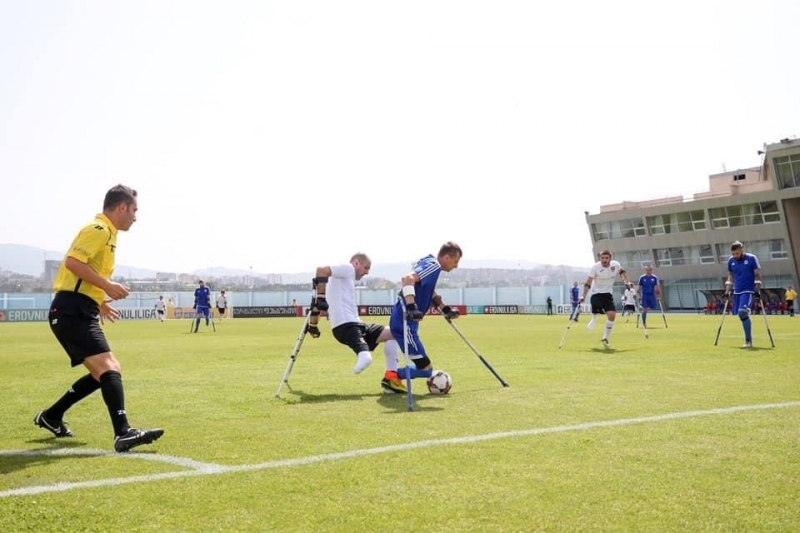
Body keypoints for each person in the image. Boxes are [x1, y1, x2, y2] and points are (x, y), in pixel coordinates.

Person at [34, 184, 163, 452]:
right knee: (110, 368)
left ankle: (52, 416)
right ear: (122, 207)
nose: (136, 217)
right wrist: (106, 286)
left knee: (100, 374)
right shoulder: (99, 230)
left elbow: (81, 273)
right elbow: (73, 263)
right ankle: (123, 432)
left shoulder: (109, 234)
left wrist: (100, 301)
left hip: (80, 308)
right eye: (134, 210)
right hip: (72, 310)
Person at [307, 253, 406, 393]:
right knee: (365, 357)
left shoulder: (341, 280)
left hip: (357, 324)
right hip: (345, 325)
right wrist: (321, 298)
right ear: (357, 263)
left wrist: (313, 326)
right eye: (366, 268)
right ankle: (363, 356)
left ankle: (391, 378)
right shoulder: (347, 268)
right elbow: (321, 270)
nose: (367, 272)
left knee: (395, 333)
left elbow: (316, 304)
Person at [389, 242, 462, 383]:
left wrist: (445, 309)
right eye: (455, 261)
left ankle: (392, 378)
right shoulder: (433, 266)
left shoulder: (431, 265)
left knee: (425, 367)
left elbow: (428, 290)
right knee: (426, 370)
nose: (456, 266)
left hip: (407, 324)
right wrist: (411, 307)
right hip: (405, 324)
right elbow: (407, 279)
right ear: (446, 257)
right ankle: (391, 377)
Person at [579, 250, 631, 347]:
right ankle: (594, 318)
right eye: (602, 258)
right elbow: (588, 283)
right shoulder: (595, 267)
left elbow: (622, 272)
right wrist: (583, 296)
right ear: (600, 258)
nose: (604, 260)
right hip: (596, 293)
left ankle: (605, 338)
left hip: (607, 294)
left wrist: (627, 282)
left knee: (612, 315)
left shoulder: (615, 265)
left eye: (606, 258)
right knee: (597, 307)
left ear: (610, 259)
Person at [724, 241, 762, 348]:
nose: (735, 256)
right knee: (741, 316)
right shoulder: (731, 261)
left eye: (737, 253)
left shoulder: (751, 258)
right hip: (737, 291)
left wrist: (757, 289)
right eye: (733, 254)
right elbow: (730, 276)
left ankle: (748, 341)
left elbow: (758, 275)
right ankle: (748, 340)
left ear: (742, 250)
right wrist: (727, 291)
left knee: (742, 312)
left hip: (748, 290)